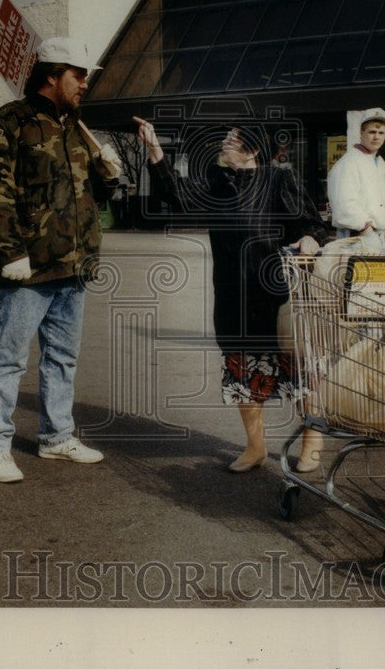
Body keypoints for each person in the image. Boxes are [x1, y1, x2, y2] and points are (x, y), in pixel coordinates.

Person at [135, 117, 327, 473]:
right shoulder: (217, 182)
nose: (223, 143)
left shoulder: (278, 179)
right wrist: (155, 150)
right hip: (233, 295)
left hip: (277, 296)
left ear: (252, 149)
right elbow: (177, 196)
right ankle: (255, 447)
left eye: (231, 139)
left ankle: (313, 441)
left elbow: (312, 224)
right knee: (242, 374)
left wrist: (311, 238)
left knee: (300, 372)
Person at [0, 37, 122, 483]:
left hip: (72, 264)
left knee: (62, 357)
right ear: (52, 76)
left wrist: (108, 176)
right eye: (79, 75)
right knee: (9, 359)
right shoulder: (6, 122)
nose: (85, 84)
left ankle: (56, 437)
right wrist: (10, 252)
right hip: (27, 266)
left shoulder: (74, 125)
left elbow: (88, 197)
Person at [327, 108, 385, 248]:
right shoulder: (349, 162)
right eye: (372, 132)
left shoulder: (379, 163)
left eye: (381, 132)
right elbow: (344, 203)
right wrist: (366, 229)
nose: (376, 137)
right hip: (356, 236)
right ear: (361, 133)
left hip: (377, 235)